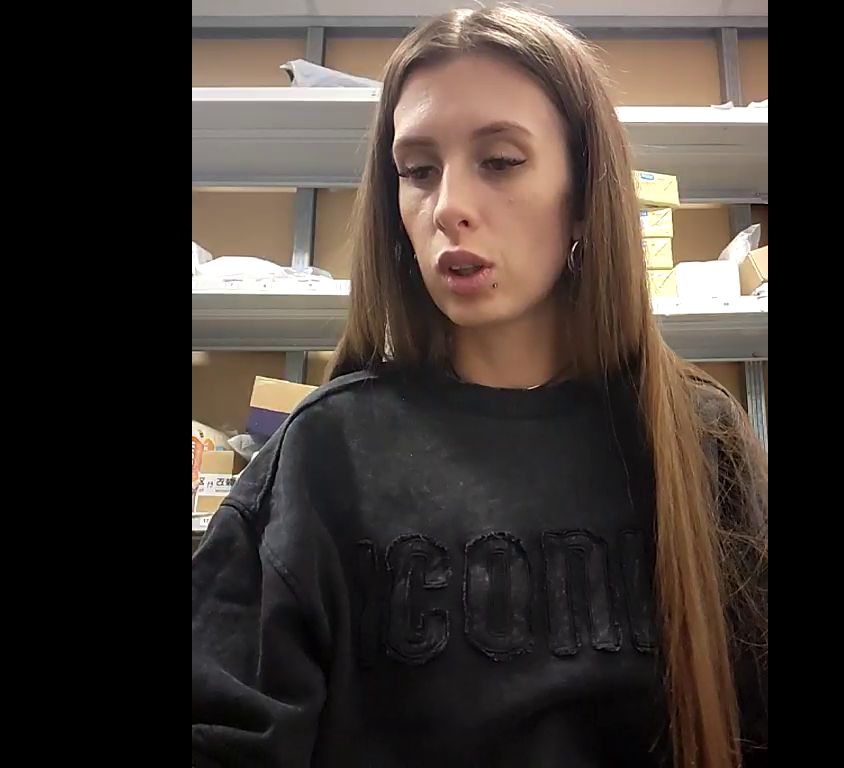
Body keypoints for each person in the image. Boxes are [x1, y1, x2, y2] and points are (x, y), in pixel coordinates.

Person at [191, 5, 768, 767]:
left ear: (583, 193)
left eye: (499, 161)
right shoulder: (325, 452)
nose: (449, 208)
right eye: (417, 171)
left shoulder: (698, 438)